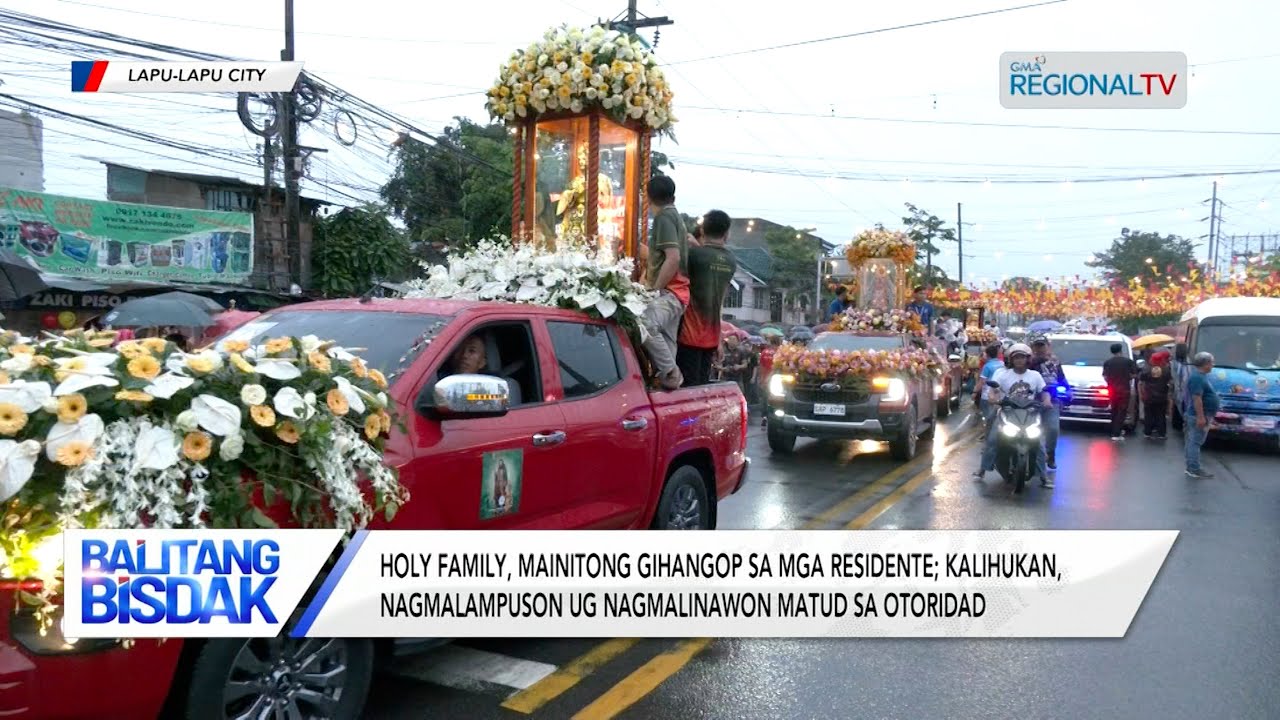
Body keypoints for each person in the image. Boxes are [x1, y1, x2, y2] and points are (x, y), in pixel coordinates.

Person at [973, 343, 1053, 487]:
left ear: (1027, 359)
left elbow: (1044, 391)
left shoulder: (1035, 375)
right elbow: (994, 390)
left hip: (1029, 414)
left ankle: (1043, 476)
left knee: (1038, 443)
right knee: (993, 440)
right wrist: (993, 398)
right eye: (1016, 358)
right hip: (1007, 412)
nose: (1019, 360)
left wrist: (1047, 401)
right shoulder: (1003, 374)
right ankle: (982, 469)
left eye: (1022, 357)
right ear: (1011, 360)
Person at [639, 175, 691, 390]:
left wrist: (654, 288)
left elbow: (673, 258)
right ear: (673, 197)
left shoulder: (664, 218)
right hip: (678, 293)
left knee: (644, 323)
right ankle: (669, 385)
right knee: (667, 341)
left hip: (670, 291)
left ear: (648, 197)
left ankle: (671, 373)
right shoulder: (675, 216)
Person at [676, 210, 737, 387]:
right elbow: (720, 302)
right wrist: (719, 339)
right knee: (701, 388)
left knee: (686, 389)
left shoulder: (693, 255)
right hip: (711, 338)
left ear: (702, 231)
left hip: (688, 335)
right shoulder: (731, 261)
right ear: (727, 234)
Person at [446, 334, 523, 405]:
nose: (464, 355)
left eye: (472, 351)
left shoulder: (491, 390)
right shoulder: (439, 379)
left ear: (482, 362)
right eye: (460, 349)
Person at [1028, 335, 1067, 472]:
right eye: (1037, 346)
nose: (1040, 349)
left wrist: (1068, 391)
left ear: (1047, 346)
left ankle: (1050, 454)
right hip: (1031, 401)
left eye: (1042, 346)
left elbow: (1061, 378)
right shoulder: (1028, 361)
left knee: (1053, 429)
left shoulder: (1055, 361)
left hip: (1052, 401)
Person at [1184, 351, 1219, 479]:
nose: (1213, 365)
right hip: (1197, 415)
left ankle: (1192, 467)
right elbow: (1197, 398)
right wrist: (1200, 417)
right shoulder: (1197, 378)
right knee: (1195, 442)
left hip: (1202, 414)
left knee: (1193, 441)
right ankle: (1194, 468)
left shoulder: (1200, 376)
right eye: (1211, 362)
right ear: (1205, 364)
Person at [1102, 342, 1138, 441]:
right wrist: (1127, 377)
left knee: (1114, 410)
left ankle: (1113, 431)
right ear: (1121, 351)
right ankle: (1117, 433)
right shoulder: (1128, 362)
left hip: (1112, 390)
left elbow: (1105, 376)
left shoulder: (1107, 362)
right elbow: (1134, 375)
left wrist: (1110, 382)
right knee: (1121, 411)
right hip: (1124, 390)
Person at [1140, 350, 1173, 439]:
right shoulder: (1166, 370)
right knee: (1161, 415)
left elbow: (1142, 382)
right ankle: (1161, 433)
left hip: (1149, 396)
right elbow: (1170, 382)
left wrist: (1142, 393)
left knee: (1148, 415)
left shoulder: (1147, 370)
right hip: (1162, 396)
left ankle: (1147, 432)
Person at [972, 343, 1004, 430]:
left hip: (987, 396)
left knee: (988, 416)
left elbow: (982, 382)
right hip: (1000, 395)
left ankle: (988, 431)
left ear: (987, 354)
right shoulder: (1002, 364)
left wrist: (975, 392)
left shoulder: (987, 366)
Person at [1170, 342, 1191, 431]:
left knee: (1178, 404)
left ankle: (1178, 424)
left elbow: (1173, 375)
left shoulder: (1174, 362)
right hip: (1186, 388)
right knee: (1186, 405)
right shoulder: (1188, 361)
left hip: (1177, 387)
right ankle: (1185, 423)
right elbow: (1188, 375)